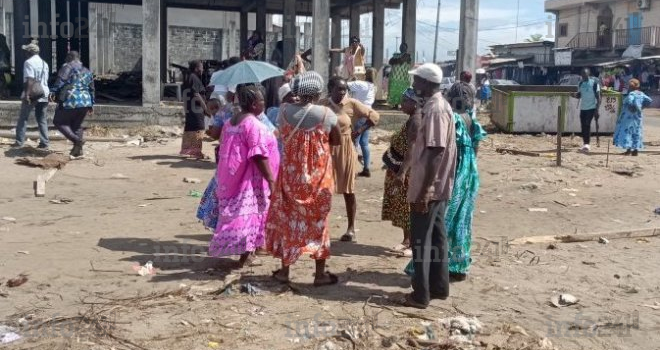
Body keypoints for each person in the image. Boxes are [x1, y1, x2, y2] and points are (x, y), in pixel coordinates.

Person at [266, 71, 342, 286]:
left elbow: (281, 133)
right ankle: (319, 274)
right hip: (319, 181)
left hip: (290, 178)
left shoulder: (283, 111)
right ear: (318, 92)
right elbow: (335, 140)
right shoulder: (326, 114)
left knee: (289, 222)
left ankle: (284, 271)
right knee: (319, 223)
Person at [400, 63, 457, 309]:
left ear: (425, 82)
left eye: (417, 81)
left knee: (422, 241)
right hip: (438, 185)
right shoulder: (438, 106)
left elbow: (435, 151)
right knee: (436, 238)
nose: (414, 85)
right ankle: (439, 287)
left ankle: (420, 294)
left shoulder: (434, 109)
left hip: (430, 187)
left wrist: (425, 191)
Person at [209, 85, 280, 268]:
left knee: (241, 212)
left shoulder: (231, 122)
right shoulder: (253, 124)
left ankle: (250, 251)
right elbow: (258, 154)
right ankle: (246, 256)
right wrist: (271, 180)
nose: (264, 103)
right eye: (262, 100)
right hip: (249, 178)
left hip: (232, 176)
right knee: (250, 213)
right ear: (255, 104)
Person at [321, 77, 380, 242]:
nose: (342, 92)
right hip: (326, 149)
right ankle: (322, 228)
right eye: (338, 89)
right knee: (324, 190)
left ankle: (351, 228)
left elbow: (374, 116)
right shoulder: (323, 104)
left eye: (344, 89)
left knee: (348, 190)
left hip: (346, 149)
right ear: (330, 88)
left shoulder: (352, 104)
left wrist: (360, 130)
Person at [382, 88, 420, 257]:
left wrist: (402, 172)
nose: (402, 104)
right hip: (399, 166)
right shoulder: (412, 119)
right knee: (403, 206)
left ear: (415, 102)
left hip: (408, 170)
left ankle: (412, 243)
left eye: (405, 101)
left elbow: (412, 149)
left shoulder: (416, 121)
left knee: (408, 206)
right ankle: (406, 240)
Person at [50, 51, 95, 158]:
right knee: (77, 126)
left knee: (58, 122)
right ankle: (78, 152)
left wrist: (53, 92)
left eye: (66, 57)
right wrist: (92, 103)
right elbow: (92, 88)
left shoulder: (67, 67)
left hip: (71, 99)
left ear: (70, 57)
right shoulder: (87, 70)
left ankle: (77, 140)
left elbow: (60, 81)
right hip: (85, 100)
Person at [13, 42, 50, 150]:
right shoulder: (44, 63)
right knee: (42, 118)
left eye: (26, 51)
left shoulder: (28, 62)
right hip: (44, 92)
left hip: (33, 93)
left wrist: (27, 95)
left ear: (29, 52)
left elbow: (30, 79)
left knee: (23, 118)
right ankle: (44, 143)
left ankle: (19, 142)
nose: (24, 53)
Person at [348, 68, 377, 177]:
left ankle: (352, 170)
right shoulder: (373, 87)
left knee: (354, 142)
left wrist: (352, 78)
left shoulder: (360, 84)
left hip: (359, 114)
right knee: (364, 143)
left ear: (365, 75)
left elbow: (344, 85)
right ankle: (366, 168)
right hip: (369, 114)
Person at [181, 60, 213, 159]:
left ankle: (187, 150)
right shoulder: (194, 78)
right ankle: (196, 152)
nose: (203, 69)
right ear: (196, 68)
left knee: (190, 128)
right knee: (198, 129)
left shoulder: (189, 77)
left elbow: (188, 93)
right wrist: (205, 108)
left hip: (190, 108)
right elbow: (196, 94)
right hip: (196, 108)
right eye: (201, 67)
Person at [614, 79, 652, 156]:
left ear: (631, 87)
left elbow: (630, 102)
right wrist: (641, 107)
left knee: (628, 132)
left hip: (629, 117)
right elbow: (649, 100)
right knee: (637, 132)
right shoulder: (641, 94)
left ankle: (628, 150)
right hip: (638, 116)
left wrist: (632, 108)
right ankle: (635, 150)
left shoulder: (631, 94)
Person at [571, 68, 601, 154]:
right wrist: (574, 95)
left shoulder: (594, 83)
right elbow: (579, 95)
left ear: (588, 74)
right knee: (583, 126)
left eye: (585, 74)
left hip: (591, 108)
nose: (583, 76)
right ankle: (585, 144)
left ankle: (587, 145)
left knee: (587, 125)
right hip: (583, 108)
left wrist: (597, 109)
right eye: (582, 75)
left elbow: (598, 97)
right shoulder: (580, 83)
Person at [387, 43, 413, 109]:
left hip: (403, 77)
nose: (401, 48)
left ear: (406, 48)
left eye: (403, 47)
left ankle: (402, 105)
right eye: (401, 46)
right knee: (394, 90)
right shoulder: (396, 55)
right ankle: (395, 105)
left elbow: (401, 61)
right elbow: (390, 61)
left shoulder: (407, 56)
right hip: (394, 76)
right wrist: (396, 59)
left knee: (403, 91)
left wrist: (395, 59)